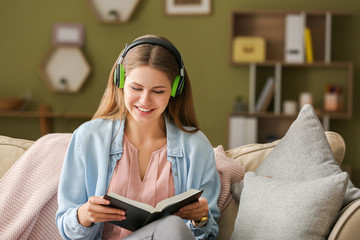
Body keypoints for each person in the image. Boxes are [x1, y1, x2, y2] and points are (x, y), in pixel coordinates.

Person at [56, 34, 221, 240]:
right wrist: (84, 215)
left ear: (175, 89)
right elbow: (65, 225)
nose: (145, 100)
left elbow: (209, 233)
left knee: (173, 227)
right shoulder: (88, 137)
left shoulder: (197, 147)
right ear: (121, 80)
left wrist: (201, 219)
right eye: (136, 88)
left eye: (158, 91)